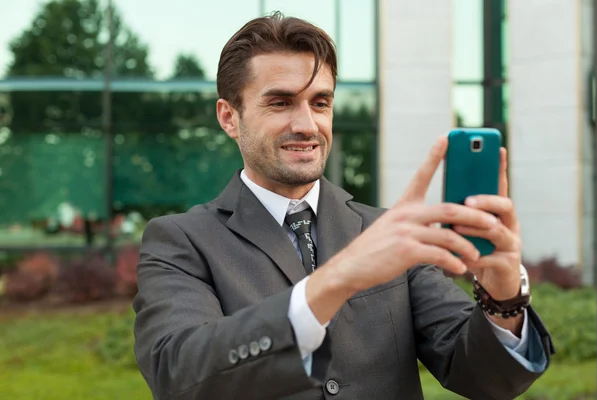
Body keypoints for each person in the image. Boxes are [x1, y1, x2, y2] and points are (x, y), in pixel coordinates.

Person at [133, 12, 554, 400]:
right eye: (280, 102)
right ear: (229, 117)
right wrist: (335, 281)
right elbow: (179, 374)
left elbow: (481, 376)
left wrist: (503, 295)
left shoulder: (386, 232)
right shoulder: (180, 241)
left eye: (320, 102)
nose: (307, 124)